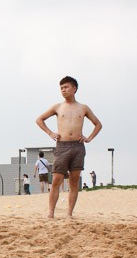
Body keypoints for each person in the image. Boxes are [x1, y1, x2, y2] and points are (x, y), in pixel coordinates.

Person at [36, 76, 103, 219]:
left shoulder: (83, 108)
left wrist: (89, 138)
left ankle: (69, 214)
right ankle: (51, 213)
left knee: (74, 181)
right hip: (62, 146)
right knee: (56, 180)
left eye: (66, 87)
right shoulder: (58, 107)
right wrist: (50, 133)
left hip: (78, 146)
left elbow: (98, 124)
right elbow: (39, 120)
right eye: (61, 88)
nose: (63, 90)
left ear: (74, 89)